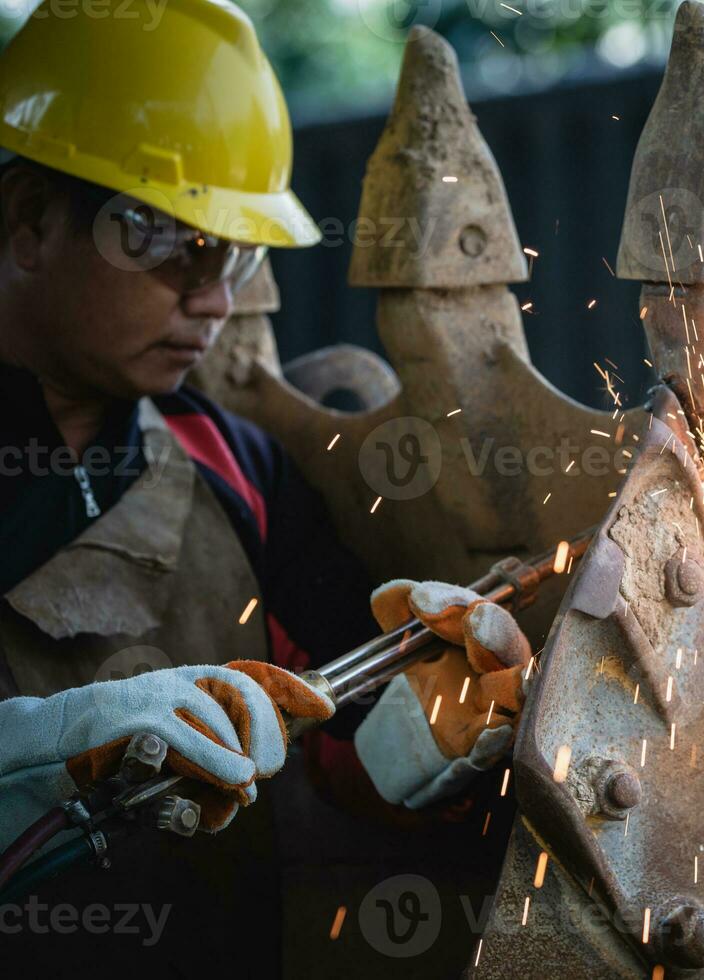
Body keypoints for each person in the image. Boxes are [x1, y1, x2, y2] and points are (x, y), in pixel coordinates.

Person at [0, 1, 529, 973]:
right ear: (30, 220)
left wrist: (436, 727)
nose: (216, 296)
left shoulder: (234, 467)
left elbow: (335, 735)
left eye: (235, 252)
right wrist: (38, 752)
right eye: (171, 241)